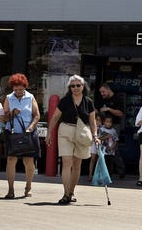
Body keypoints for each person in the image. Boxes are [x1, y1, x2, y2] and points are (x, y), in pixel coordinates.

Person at [46, 74, 99, 205]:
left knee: (77, 165)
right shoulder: (65, 100)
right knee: (66, 162)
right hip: (65, 130)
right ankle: (65, 193)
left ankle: (71, 192)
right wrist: (49, 133)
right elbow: (55, 117)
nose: (75, 88)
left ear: (83, 86)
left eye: (78, 85)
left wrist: (95, 136)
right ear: (69, 87)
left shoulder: (88, 102)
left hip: (82, 133)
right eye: (73, 86)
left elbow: (93, 122)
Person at [3, 73, 41, 199]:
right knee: (11, 160)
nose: (18, 91)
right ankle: (10, 190)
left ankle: (28, 187)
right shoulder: (9, 98)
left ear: (25, 87)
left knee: (29, 161)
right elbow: (4, 118)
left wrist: (31, 127)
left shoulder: (30, 97)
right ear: (12, 88)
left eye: (21, 89)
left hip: (28, 133)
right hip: (13, 133)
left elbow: (36, 115)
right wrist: (12, 113)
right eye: (16, 89)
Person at [97, 82, 126, 178]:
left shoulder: (118, 98)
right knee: (103, 147)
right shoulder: (102, 99)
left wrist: (109, 109)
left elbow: (121, 113)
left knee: (114, 148)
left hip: (115, 126)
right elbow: (97, 110)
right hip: (103, 126)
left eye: (103, 92)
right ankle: (106, 171)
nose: (102, 94)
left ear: (108, 89)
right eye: (101, 92)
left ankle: (120, 171)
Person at [88, 112, 103, 181]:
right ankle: (90, 175)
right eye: (97, 120)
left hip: (101, 145)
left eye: (100, 120)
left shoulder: (103, 128)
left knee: (99, 160)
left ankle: (98, 175)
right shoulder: (93, 127)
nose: (98, 121)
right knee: (93, 159)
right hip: (93, 144)